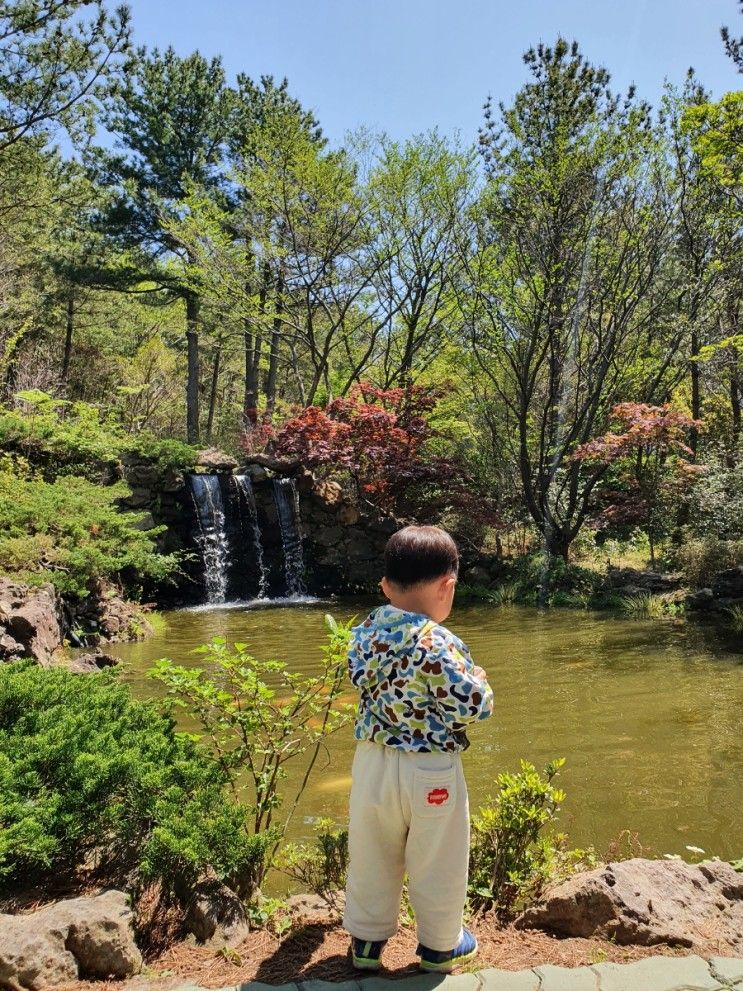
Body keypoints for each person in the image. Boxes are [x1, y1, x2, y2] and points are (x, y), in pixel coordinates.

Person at [343, 525, 494, 974]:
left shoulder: (365, 632)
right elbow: (471, 706)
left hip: (371, 764)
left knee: (371, 852)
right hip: (431, 768)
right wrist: (481, 683)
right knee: (438, 857)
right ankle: (440, 947)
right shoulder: (437, 641)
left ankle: (366, 944)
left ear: (385, 586)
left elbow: (357, 677)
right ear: (448, 586)